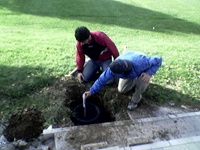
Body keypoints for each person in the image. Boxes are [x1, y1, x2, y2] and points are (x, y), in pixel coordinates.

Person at [83, 51, 162, 110]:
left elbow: (158, 59)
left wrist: (149, 73)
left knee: (143, 80)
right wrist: (91, 91)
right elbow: (101, 80)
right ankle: (133, 80)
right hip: (131, 73)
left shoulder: (142, 62)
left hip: (142, 70)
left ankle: (135, 100)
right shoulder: (112, 70)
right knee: (122, 90)